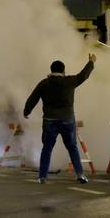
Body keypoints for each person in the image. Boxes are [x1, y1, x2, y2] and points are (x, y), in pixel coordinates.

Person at [24, 53, 96, 184]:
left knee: (47, 148)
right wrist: (91, 62)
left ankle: (42, 177)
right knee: (72, 147)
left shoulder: (44, 83)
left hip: (49, 121)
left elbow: (33, 98)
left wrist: (26, 111)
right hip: (67, 120)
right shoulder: (70, 81)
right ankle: (80, 175)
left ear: (51, 70)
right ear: (63, 71)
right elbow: (83, 75)